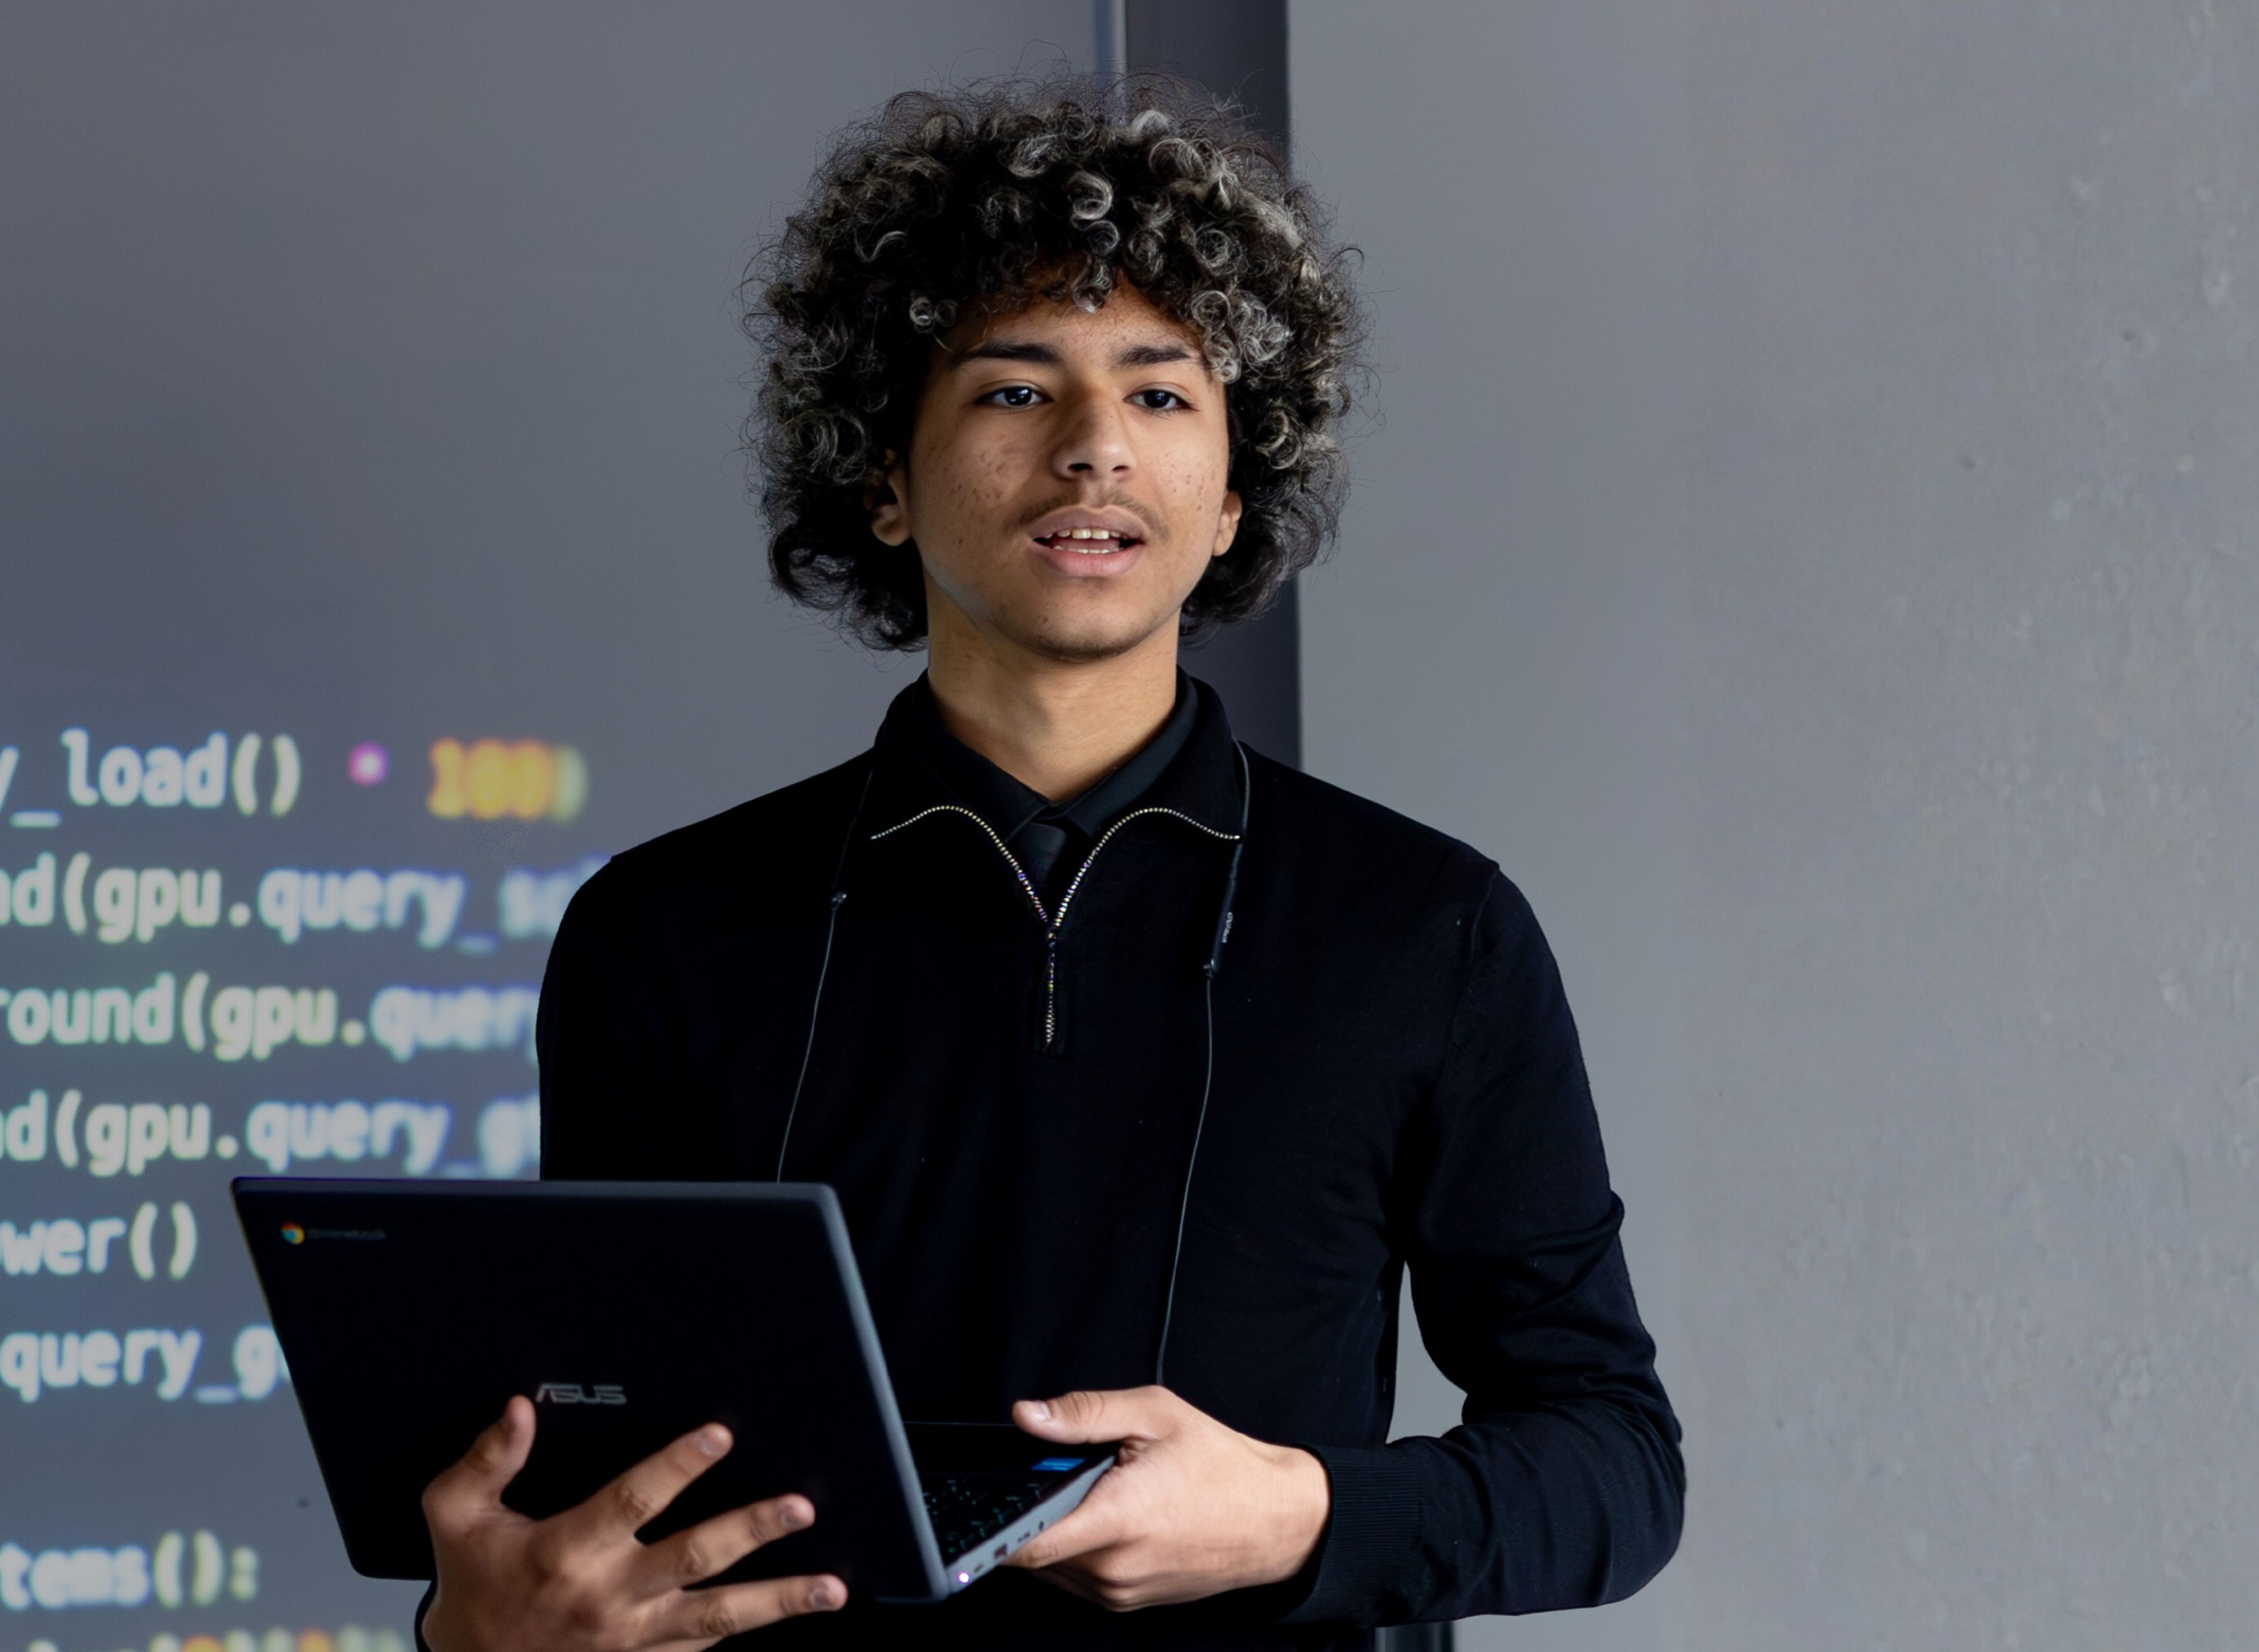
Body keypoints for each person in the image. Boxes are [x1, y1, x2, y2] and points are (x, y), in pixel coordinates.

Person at [414, 79, 1682, 1651]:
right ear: (884, 475)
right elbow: (595, 1466)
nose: (1094, 450)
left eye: (1161, 397)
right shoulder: (666, 932)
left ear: (1232, 499)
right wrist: (474, 1632)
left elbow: (1614, 1463)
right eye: (1014, 392)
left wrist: (1301, 1514)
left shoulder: (1431, 929)